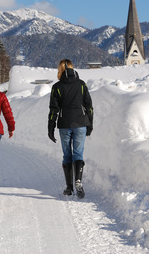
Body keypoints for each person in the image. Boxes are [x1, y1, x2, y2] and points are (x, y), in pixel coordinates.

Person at [48, 59, 93, 199]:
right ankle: (78, 180)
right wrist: (89, 124)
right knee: (78, 154)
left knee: (67, 155)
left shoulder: (57, 87)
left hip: (64, 124)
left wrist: (50, 127)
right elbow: (89, 106)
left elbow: (53, 110)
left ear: (60, 70)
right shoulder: (81, 84)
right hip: (80, 123)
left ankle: (69, 187)